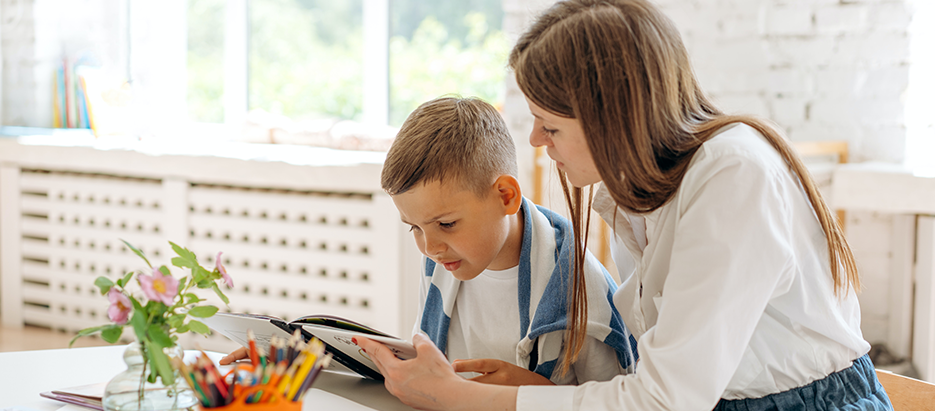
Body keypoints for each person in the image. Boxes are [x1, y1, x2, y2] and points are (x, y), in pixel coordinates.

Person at [355, 1, 894, 410]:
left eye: (552, 124)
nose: (538, 141)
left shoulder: (733, 175)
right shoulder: (634, 197)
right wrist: (532, 392)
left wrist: (468, 398)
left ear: (614, 115)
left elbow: (666, 399)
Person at [223, 96, 639, 386]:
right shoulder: (447, 261)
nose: (429, 247)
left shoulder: (579, 287)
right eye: (415, 228)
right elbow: (429, 372)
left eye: (446, 224)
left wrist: (532, 397)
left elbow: (620, 400)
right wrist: (307, 359)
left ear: (506, 196)